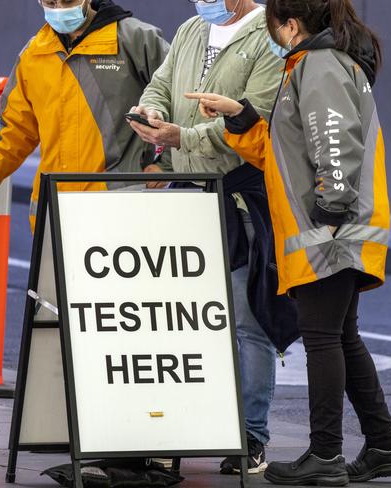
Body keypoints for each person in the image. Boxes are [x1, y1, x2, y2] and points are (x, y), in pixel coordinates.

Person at [186, 0, 391, 484]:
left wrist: (331, 207)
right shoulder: (316, 64)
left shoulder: (320, 65)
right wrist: (242, 119)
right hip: (334, 225)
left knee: (323, 338)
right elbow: (287, 151)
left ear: (290, 24)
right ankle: (384, 445)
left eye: (273, 24)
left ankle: (326, 455)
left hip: (329, 228)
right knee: (341, 336)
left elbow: (335, 141)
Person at [127, 0, 289, 476]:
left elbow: (252, 119)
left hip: (239, 197)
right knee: (181, 322)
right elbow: (160, 83)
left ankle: (250, 436)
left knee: (247, 322)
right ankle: (172, 431)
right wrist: (151, 112)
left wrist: (184, 138)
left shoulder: (270, 34)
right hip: (189, 192)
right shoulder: (192, 28)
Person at [0, 0, 169, 230]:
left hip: (118, 213)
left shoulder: (135, 40)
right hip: (53, 214)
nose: (59, 9)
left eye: (67, 1)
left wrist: (166, 165)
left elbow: (182, 98)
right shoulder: (34, 54)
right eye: (50, 2)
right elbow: (12, 132)